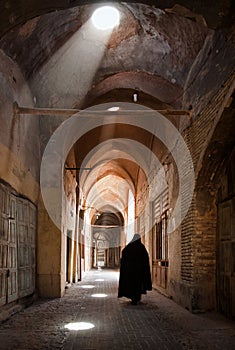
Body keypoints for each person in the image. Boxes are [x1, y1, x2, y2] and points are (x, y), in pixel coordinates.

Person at [118, 233, 152, 305]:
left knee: (131, 285)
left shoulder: (129, 247)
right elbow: (146, 259)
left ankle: (133, 298)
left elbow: (123, 253)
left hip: (130, 272)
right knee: (137, 285)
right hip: (139, 272)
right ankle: (136, 298)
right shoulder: (141, 247)